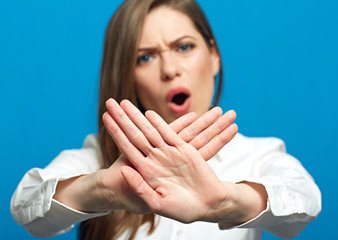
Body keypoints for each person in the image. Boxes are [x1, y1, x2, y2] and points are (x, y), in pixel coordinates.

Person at [10, 0, 321, 239]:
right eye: (145, 57)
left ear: (214, 56)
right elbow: (26, 208)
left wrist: (224, 200)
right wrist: (101, 190)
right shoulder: (98, 157)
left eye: (184, 47)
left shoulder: (257, 155)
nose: (169, 69)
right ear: (128, 75)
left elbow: (304, 203)